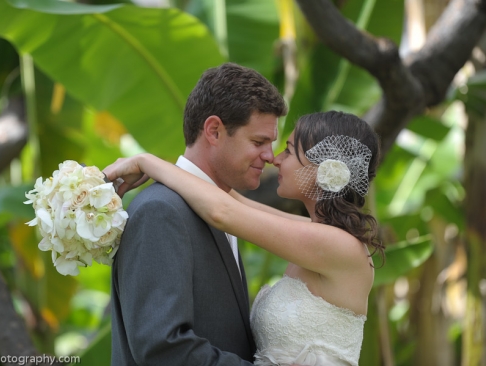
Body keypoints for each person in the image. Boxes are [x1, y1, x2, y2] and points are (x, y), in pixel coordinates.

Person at [104, 110, 385, 366]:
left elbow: (223, 212)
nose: (275, 159)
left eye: (288, 152)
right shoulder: (317, 234)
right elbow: (232, 200)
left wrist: (144, 160)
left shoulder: (336, 246)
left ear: (318, 170)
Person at [107, 62, 288, 365]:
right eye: (258, 142)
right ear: (214, 130)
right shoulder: (160, 211)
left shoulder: (225, 207)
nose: (270, 156)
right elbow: (161, 348)